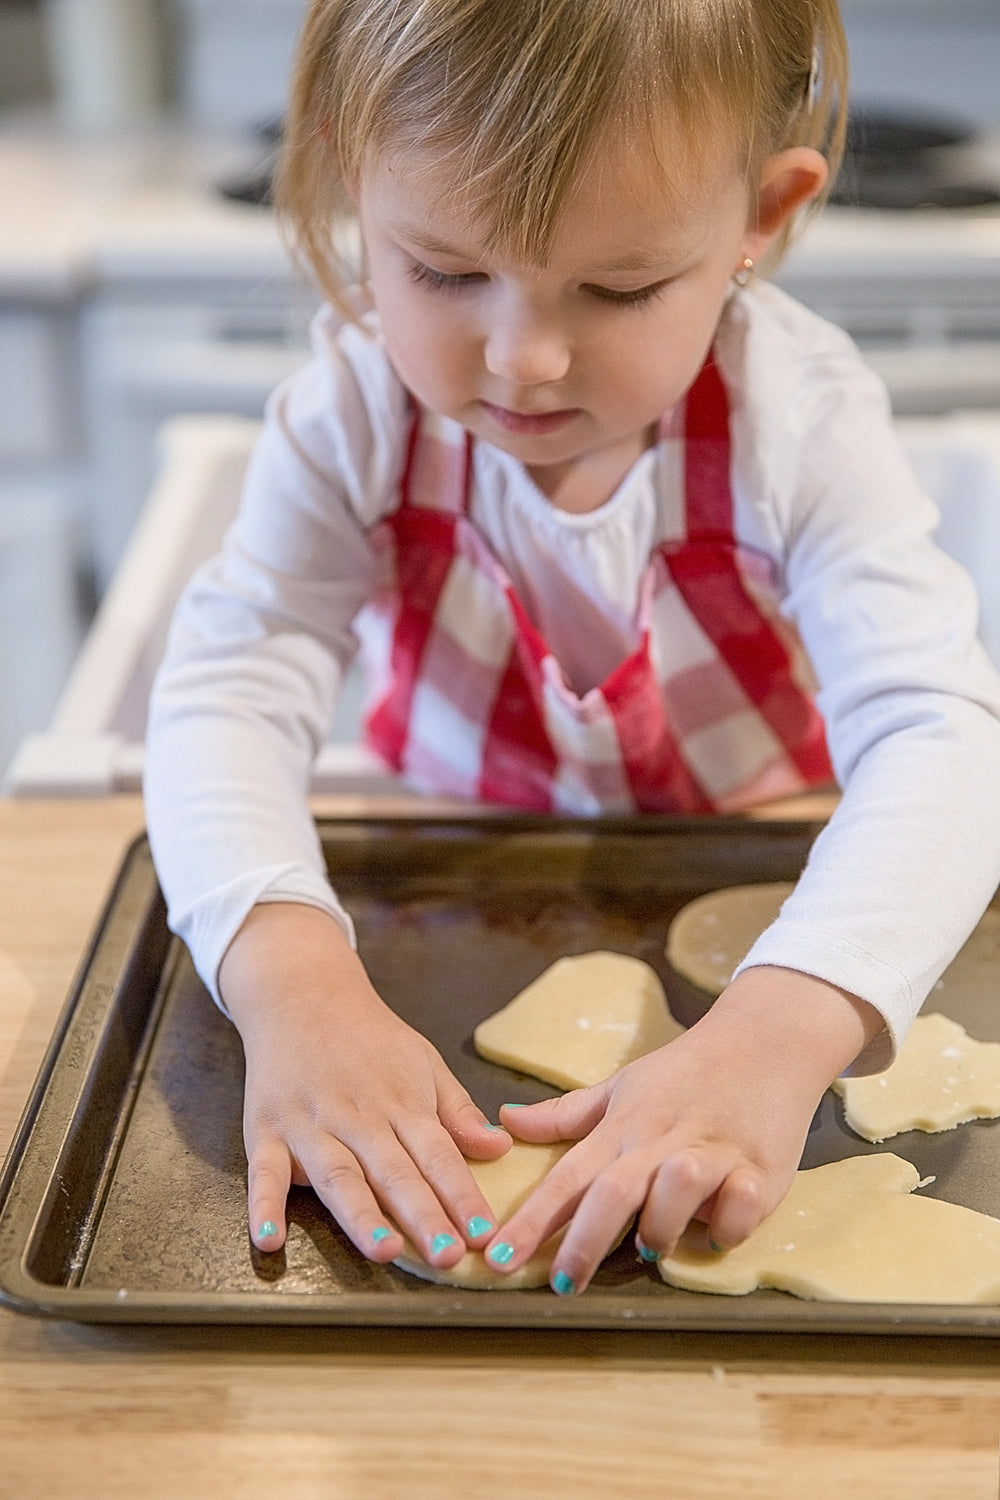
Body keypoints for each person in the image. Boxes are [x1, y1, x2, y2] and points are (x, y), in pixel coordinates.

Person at [144, 0, 1000, 1297]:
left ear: (762, 216)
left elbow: (943, 734)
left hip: (769, 855)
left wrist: (779, 1032)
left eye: (619, 287)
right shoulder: (354, 417)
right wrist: (291, 985)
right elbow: (232, 677)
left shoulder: (796, 428)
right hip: (444, 870)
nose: (525, 359)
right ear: (345, 169)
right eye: (441, 269)